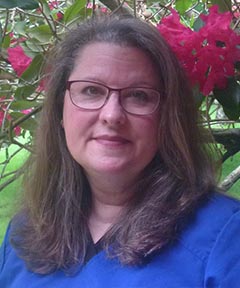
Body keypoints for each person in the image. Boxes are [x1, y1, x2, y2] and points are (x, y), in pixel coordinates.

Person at [0, 16, 240, 288]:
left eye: (138, 95)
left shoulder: (228, 239)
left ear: (167, 117)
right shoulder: (22, 236)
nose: (112, 115)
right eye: (91, 90)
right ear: (59, 111)